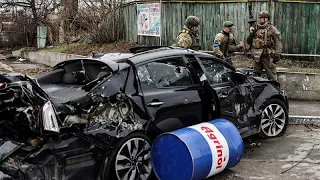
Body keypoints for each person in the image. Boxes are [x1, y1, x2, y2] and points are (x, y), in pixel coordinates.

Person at [247, 10, 283, 81]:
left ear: (266, 19)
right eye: (259, 18)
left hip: (267, 57)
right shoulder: (256, 28)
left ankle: (275, 90)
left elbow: (278, 42)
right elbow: (248, 41)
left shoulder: (272, 29)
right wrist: (251, 33)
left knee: (272, 77)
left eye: (262, 18)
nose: (260, 19)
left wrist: (277, 54)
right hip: (257, 57)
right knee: (255, 76)